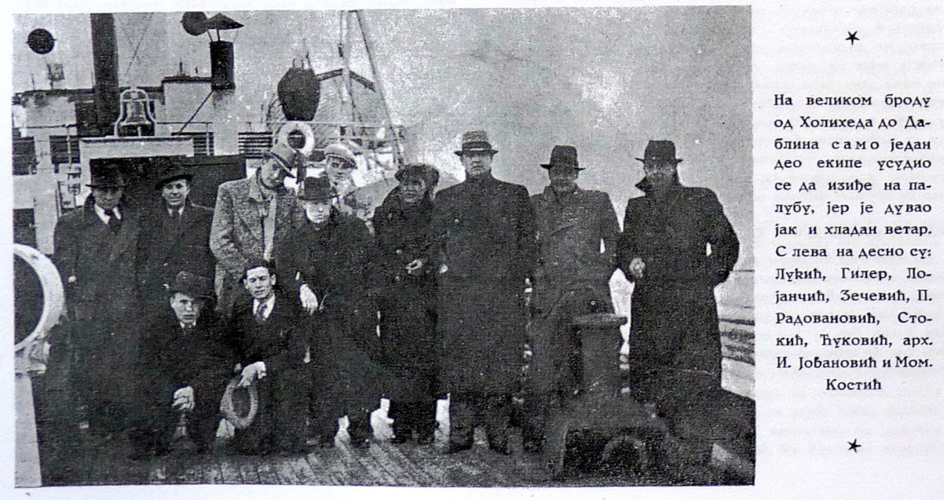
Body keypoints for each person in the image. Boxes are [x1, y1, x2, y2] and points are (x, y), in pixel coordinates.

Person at [616, 140, 740, 475]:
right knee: (653, 381)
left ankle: (696, 457)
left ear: (674, 167)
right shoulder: (636, 207)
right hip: (651, 309)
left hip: (691, 311)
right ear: (644, 169)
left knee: (695, 382)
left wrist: (706, 279)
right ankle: (658, 456)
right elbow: (624, 247)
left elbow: (727, 244)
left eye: (662, 165)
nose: (655, 171)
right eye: (650, 165)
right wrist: (631, 262)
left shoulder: (700, 199)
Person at [432, 130, 536, 454]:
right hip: (461, 297)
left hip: (502, 296)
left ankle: (498, 434)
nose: (476, 160)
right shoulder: (446, 198)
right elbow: (435, 245)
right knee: (460, 364)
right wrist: (445, 270)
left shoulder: (514, 195)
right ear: (461, 160)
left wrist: (516, 279)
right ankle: (460, 435)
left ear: (492, 158)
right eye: (470, 154)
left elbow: (527, 244)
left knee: (500, 365)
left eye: (482, 154)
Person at [523, 145, 621, 453]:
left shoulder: (597, 202)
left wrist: (597, 274)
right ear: (549, 174)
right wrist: (538, 274)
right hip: (549, 296)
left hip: (590, 297)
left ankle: (592, 432)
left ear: (576, 174)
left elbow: (616, 245)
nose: (562, 177)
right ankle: (537, 433)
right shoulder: (534, 205)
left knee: (594, 362)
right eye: (556, 172)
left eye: (568, 172)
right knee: (544, 365)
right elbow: (524, 247)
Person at [277, 176, 382, 449]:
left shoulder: (354, 229)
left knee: (358, 372)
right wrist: (301, 287)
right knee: (324, 375)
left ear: (332, 202)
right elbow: (285, 271)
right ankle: (325, 429)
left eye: (324, 203)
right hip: (320, 319)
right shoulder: (295, 238)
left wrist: (366, 301)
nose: (319, 209)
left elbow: (374, 267)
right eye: (313, 204)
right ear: (303, 205)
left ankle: (361, 428)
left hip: (355, 315)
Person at [53, 166, 143, 435]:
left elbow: (142, 262)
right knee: (95, 368)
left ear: (121, 191)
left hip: (128, 307)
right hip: (92, 312)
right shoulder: (71, 223)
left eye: (113, 190)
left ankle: (126, 424)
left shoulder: (134, 219)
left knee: (127, 366)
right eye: (102, 190)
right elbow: (63, 269)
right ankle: (101, 427)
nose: (107, 196)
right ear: (92, 192)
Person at [373, 163, 441, 445]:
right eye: (406, 183)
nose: (411, 188)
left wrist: (425, 263)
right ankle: (401, 422)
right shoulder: (384, 213)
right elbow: (377, 250)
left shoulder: (437, 214)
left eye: (417, 183)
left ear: (427, 187)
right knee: (398, 360)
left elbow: (441, 246)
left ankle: (425, 422)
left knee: (426, 361)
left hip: (426, 297)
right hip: (396, 297)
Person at [131, 271, 234, 459]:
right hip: (168, 389)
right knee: (151, 446)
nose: (189, 309)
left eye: (195, 303)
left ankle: (200, 434)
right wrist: (174, 391)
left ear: (202, 305)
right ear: (172, 302)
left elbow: (221, 365)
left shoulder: (215, 325)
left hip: (200, 390)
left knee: (202, 447)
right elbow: (147, 367)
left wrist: (193, 388)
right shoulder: (155, 326)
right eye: (183, 302)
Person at [210, 142, 303, 316]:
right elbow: (219, 242)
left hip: (275, 283)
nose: (276, 176)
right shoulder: (230, 191)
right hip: (236, 281)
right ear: (264, 160)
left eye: (283, 173)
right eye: (274, 168)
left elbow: (301, 238)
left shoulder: (289, 198)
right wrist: (248, 274)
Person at [228, 261, 309, 454]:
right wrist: (238, 365)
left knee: (285, 445)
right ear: (246, 284)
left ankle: (287, 436)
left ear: (272, 280)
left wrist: (261, 366)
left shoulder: (290, 308)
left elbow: (296, 352)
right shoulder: (240, 306)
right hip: (251, 377)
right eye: (253, 280)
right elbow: (231, 342)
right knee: (250, 447)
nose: (258, 285)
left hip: (282, 371)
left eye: (263, 279)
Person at [138, 160, 215, 309]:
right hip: (160, 292)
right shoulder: (147, 219)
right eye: (169, 187)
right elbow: (142, 257)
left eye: (179, 186)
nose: (174, 192)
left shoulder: (206, 216)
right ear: (162, 191)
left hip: (195, 292)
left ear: (188, 189)